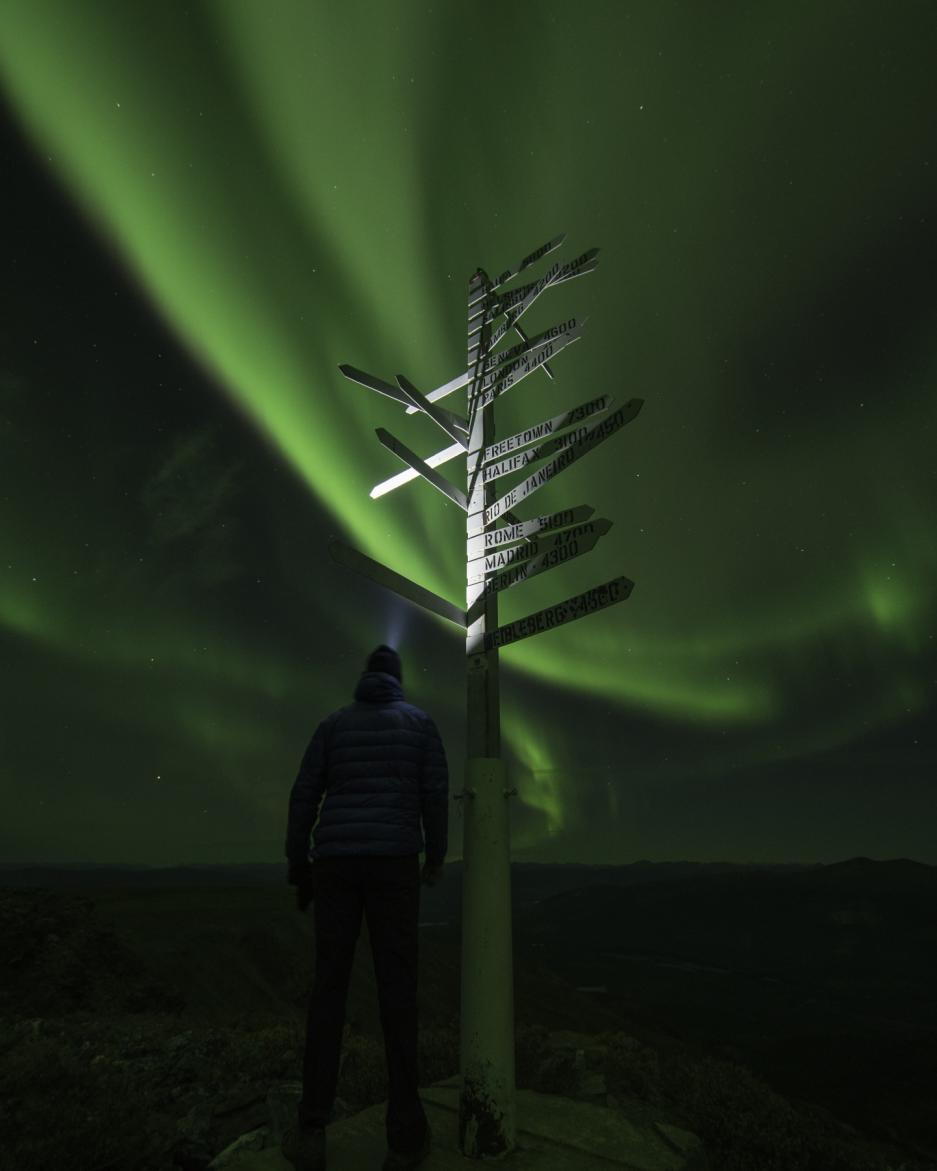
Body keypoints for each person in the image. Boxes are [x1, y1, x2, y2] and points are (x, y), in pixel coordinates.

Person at [283, 644, 448, 1171]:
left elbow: (304, 794)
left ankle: (312, 1130)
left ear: (365, 679)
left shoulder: (333, 725)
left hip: (335, 864)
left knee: (328, 991)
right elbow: (434, 794)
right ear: (397, 680)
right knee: (397, 995)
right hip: (394, 864)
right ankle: (405, 1140)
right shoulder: (420, 725)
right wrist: (435, 857)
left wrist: (299, 864)